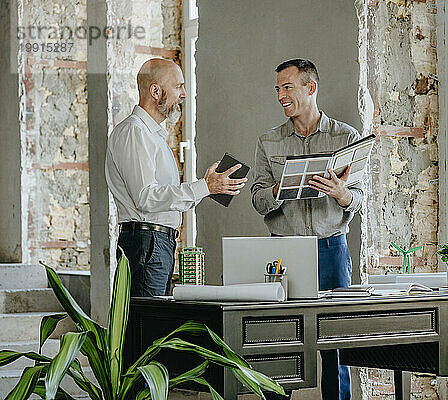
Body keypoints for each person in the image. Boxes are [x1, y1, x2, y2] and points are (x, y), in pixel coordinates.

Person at [251, 59, 363, 400]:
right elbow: (257, 198)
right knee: (279, 341)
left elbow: (358, 197)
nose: (281, 96)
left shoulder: (346, 137)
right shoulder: (268, 141)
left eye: (288, 87)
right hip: (283, 253)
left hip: (332, 250)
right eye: (277, 90)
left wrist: (343, 194)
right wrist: (278, 190)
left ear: (310, 88)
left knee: (336, 343)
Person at [106, 58, 247, 297]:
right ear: (155, 91)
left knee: (153, 326)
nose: (183, 94)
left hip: (154, 243)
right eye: (178, 86)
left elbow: (160, 197)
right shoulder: (135, 133)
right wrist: (203, 187)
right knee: (147, 328)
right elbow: (146, 198)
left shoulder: (153, 135)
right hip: (146, 243)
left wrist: (207, 189)